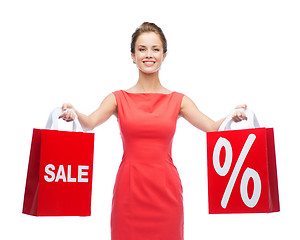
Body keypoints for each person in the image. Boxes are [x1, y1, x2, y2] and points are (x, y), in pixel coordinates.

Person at [59, 22, 247, 240]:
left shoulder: (178, 100)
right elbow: (89, 122)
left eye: (155, 49)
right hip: (129, 193)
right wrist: (74, 113)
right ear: (132, 55)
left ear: (164, 55)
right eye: (142, 49)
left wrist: (231, 116)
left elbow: (213, 128)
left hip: (166, 192)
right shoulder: (118, 99)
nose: (149, 55)